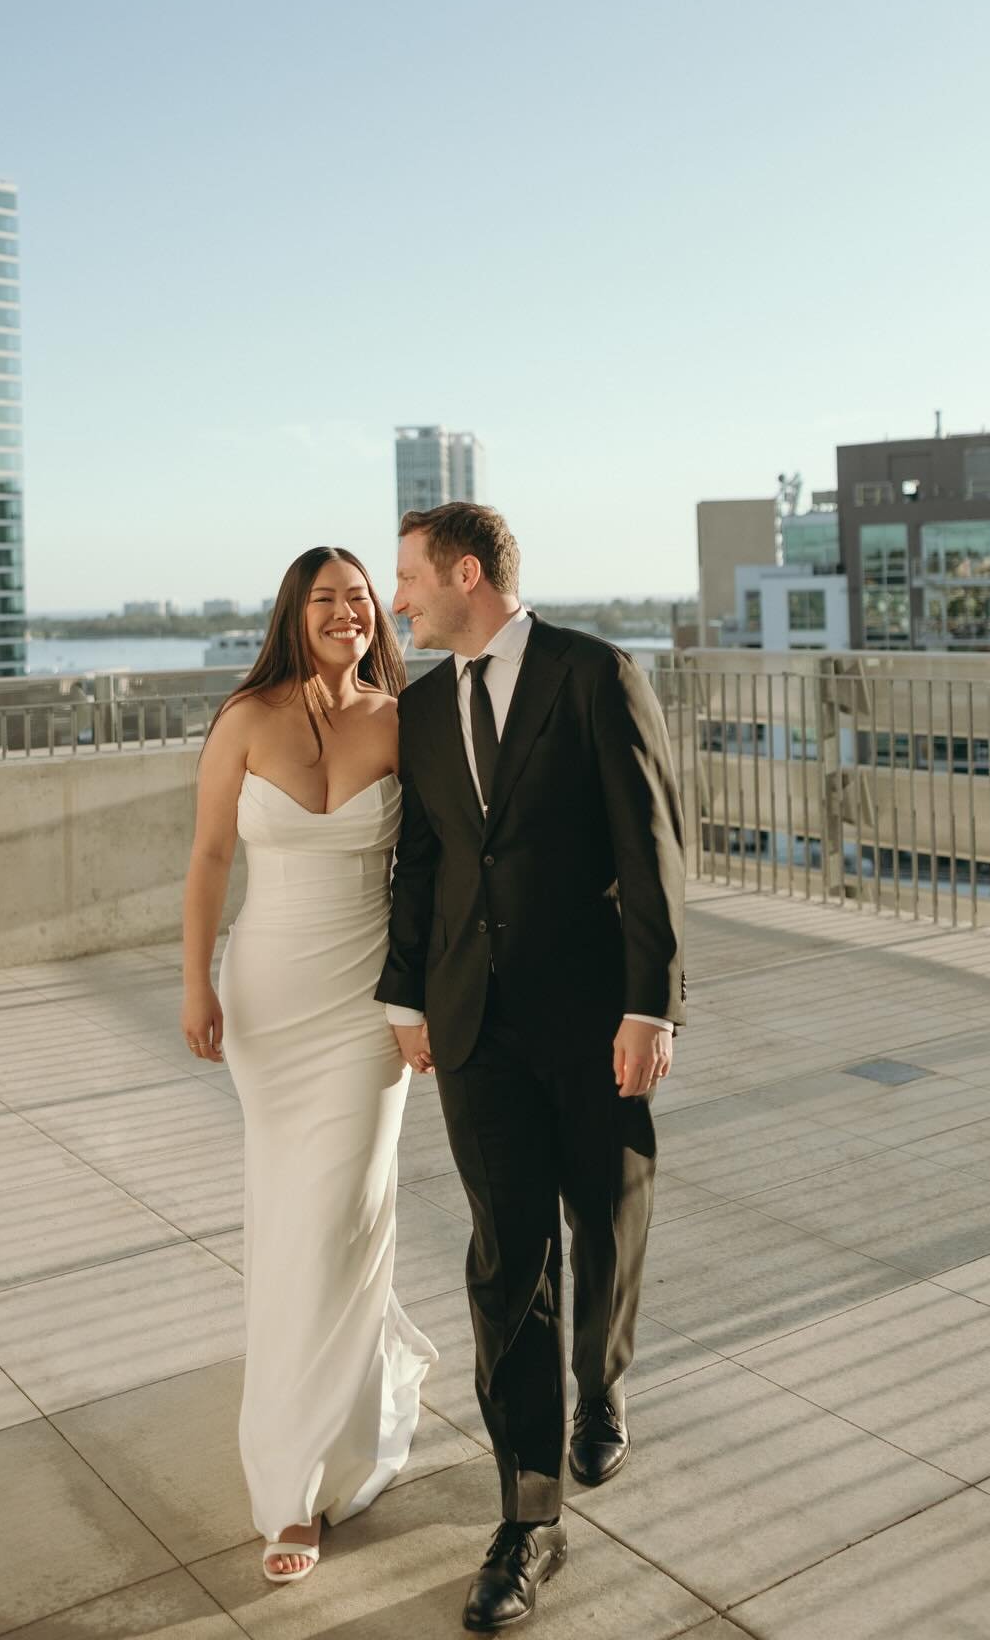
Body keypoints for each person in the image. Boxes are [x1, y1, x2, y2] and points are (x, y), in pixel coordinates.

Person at [379, 503, 686, 1633]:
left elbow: (652, 843)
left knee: (604, 1222)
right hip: (473, 1025)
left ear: (466, 575)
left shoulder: (592, 673)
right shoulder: (419, 707)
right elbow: (423, 861)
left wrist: (652, 1004)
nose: (398, 599)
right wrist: (407, 991)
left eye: (408, 578)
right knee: (509, 1258)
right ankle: (528, 1515)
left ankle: (600, 1388)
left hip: (596, 1013)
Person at [182, 547, 436, 1584]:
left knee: (345, 1218)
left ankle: (312, 1467)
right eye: (326, 598)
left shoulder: (401, 721)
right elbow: (207, 859)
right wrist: (196, 983)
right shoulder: (246, 718)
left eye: (361, 597)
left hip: (365, 1013)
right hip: (268, 1009)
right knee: (294, 1226)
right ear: (296, 613)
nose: (346, 611)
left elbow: (434, 870)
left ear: (378, 616)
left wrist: (424, 997)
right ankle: (294, 1469)